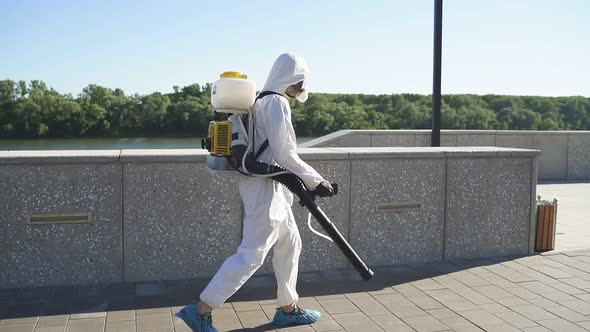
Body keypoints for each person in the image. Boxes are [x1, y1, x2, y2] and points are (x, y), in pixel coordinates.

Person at [175, 53, 335, 332]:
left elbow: (275, 153)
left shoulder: (261, 100)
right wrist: (316, 181)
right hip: (264, 188)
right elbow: (285, 154)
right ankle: (201, 310)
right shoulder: (276, 102)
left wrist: (304, 181)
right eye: (299, 84)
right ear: (292, 80)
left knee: (290, 243)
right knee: (252, 254)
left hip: (272, 185)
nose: (299, 90)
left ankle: (288, 308)